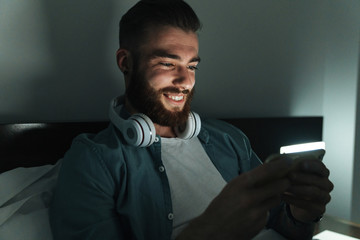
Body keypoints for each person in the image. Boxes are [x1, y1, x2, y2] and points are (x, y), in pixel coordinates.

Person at [49, 0, 334, 239]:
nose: (185, 81)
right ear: (126, 62)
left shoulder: (229, 139)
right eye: (167, 63)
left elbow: (280, 222)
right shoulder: (93, 160)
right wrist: (210, 230)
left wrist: (302, 212)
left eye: (192, 66)